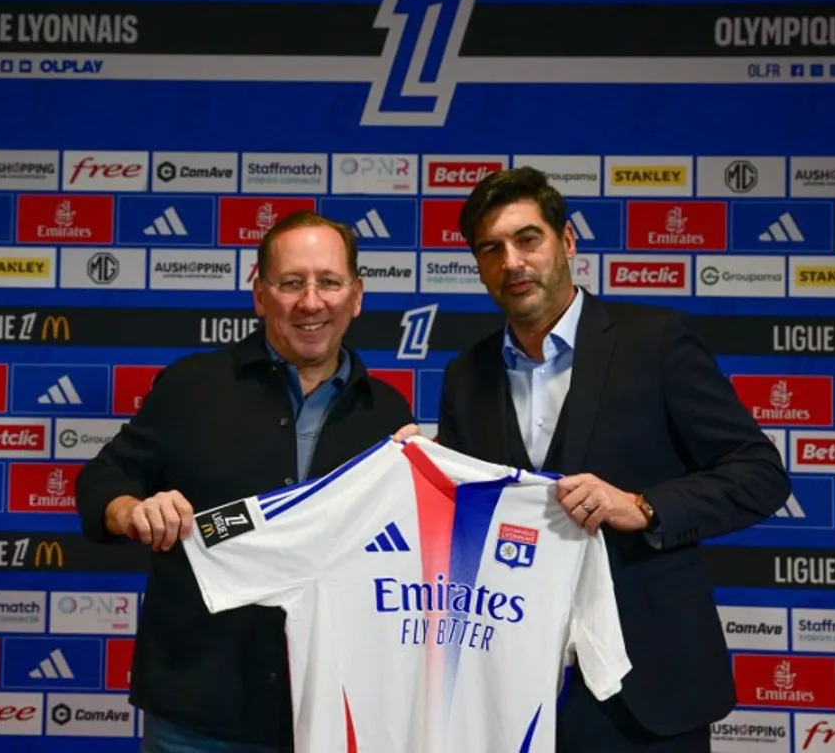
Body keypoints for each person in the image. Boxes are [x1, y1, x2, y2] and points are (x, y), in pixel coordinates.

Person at [435, 167, 791, 753]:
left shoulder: (656, 343)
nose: (512, 262)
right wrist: (414, 473)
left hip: (647, 689)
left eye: (529, 239)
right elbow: (461, 525)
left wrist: (646, 506)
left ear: (566, 242)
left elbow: (760, 473)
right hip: (512, 693)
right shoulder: (465, 376)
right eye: (491, 249)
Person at [75, 211, 415, 753]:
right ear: (259, 294)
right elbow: (101, 480)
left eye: (329, 282)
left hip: (338, 713)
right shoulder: (192, 386)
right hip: (199, 717)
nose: (311, 302)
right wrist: (131, 510)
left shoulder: (391, 416)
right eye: (290, 283)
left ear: (356, 295)